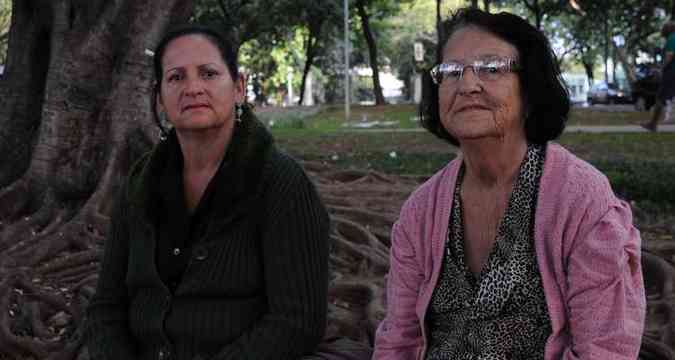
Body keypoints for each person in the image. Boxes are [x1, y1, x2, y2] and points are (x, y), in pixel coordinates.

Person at [373, 8, 645, 360]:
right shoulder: (420, 211)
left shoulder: (583, 202)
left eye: (491, 68)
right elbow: (399, 340)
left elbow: (606, 349)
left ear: (529, 89)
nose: (468, 84)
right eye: (452, 71)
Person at [85, 25, 330, 360]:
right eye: (176, 78)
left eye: (209, 73)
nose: (193, 88)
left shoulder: (280, 182)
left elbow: (296, 322)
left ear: (239, 87)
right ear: (159, 98)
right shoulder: (141, 181)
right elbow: (107, 307)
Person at [642, 20, 675, 131]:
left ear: (669, 29)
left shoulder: (672, 38)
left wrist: (661, 68)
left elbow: (669, 56)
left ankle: (653, 124)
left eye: (664, 27)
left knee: (661, 98)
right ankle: (652, 123)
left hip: (671, 72)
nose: (662, 29)